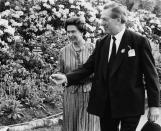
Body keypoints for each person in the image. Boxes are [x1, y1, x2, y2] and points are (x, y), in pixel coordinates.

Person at [50, 2, 160, 131]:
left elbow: (151, 75)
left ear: (118, 19)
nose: (101, 23)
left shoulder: (138, 41)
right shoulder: (102, 43)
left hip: (130, 104)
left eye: (104, 19)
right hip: (106, 105)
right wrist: (66, 78)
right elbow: (88, 68)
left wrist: (154, 105)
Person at [55, 17, 100, 131]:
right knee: (71, 126)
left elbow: (99, 72)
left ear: (82, 31)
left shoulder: (93, 49)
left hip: (89, 95)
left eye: (73, 31)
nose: (70, 35)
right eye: (68, 32)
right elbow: (60, 70)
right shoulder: (63, 51)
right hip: (70, 95)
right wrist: (57, 76)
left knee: (88, 126)